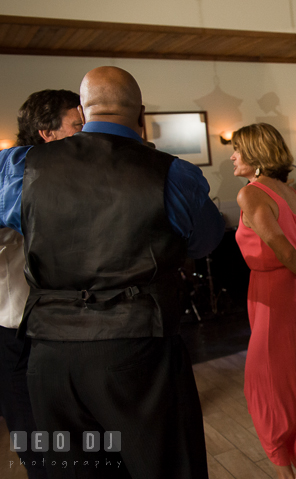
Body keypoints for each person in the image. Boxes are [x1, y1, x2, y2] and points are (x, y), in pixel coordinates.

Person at [0, 66, 225, 478]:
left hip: (50, 355)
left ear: (84, 113)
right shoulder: (172, 174)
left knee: (75, 470)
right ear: (141, 114)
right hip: (137, 347)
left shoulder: (23, 166)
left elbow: (17, 220)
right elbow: (203, 242)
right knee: (164, 467)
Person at [231, 123, 296, 479]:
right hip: (289, 293)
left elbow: (278, 243)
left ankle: (283, 471)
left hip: (280, 295)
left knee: (266, 384)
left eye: (238, 150)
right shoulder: (287, 190)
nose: (233, 156)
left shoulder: (251, 192)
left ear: (256, 156)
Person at [0, 88, 81, 479]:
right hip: (15, 329)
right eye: (78, 126)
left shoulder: (61, 172)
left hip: (59, 325)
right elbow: (29, 220)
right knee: (36, 438)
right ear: (47, 133)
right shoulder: (13, 167)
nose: (87, 135)